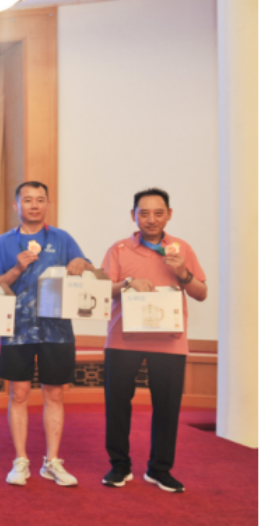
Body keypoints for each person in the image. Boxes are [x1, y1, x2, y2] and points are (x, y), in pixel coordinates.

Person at [101, 188, 206, 493]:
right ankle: (119, 466)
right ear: (133, 215)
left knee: (167, 407)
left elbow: (201, 293)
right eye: (144, 213)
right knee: (117, 405)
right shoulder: (119, 249)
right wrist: (128, 283)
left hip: (170, 341)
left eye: (158, 213)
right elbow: (102, 291)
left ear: (169, 215)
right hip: (123, 339)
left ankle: (159, 469)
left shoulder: (181, 249)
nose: (151, 219)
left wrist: (183, 272)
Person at [0, 181, 92, 487]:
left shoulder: (62, 238)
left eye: (40, 200)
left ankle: (52, 461)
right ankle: (20, 460)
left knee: (55, 394)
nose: (34, 205)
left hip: (57, 330)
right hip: (17, 329)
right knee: (19, 394)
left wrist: (82, 262)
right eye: (27, 200)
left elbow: (86, 269)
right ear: (16, 205)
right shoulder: (4, 242)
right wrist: (17, 269)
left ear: (47, 204)